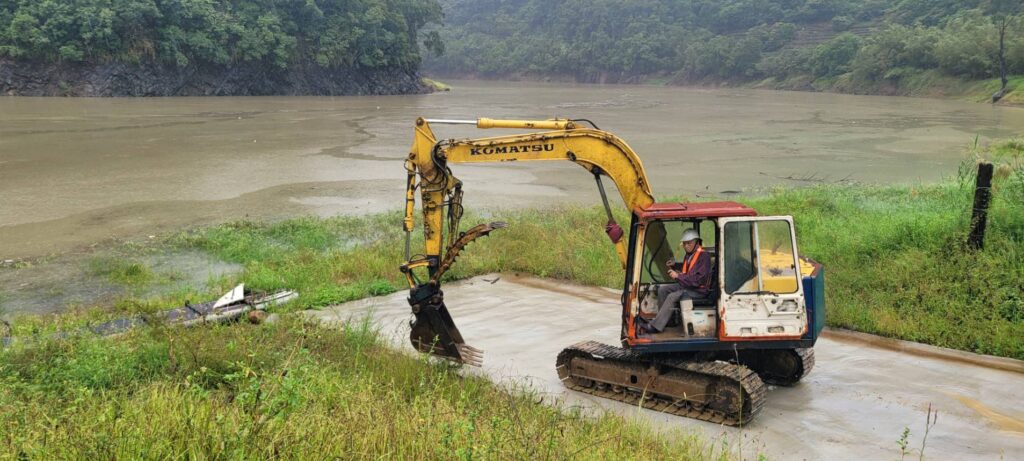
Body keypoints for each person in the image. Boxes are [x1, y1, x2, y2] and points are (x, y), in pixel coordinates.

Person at [644, 228, 713, 333]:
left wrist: (677, 276)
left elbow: (697, 280)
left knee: (673, 296)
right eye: (684, 244)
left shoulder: (704, 256)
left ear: (696, 242)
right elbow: (689, 269)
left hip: (698, 291)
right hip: (688, 286)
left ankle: (656, 326)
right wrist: (675, 265)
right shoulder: (689, 255)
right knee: (663, 290)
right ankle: (667, 321)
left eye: (689, 243)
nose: (686, 246)